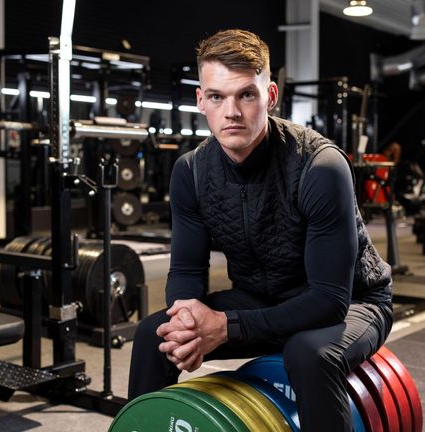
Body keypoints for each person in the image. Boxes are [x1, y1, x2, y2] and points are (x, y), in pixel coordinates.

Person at [128, 29, 393, 431]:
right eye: (217, 96)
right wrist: (187, 320)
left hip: (353, 301)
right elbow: (185, 271)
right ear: (201, 101)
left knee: (308, 353)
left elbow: (328, 300)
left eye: (246, 95)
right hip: (261, 298)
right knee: (155, 335)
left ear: (269, 96)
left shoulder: (319, 166)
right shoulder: (191, 172)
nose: (231, 111)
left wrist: (225, 327)